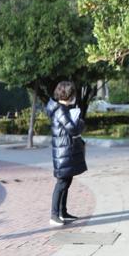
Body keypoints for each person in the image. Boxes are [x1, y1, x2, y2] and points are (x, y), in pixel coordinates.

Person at [46, 80, 87, 227]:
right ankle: (54, 215)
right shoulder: (60, 110)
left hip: (65, 150)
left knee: (66, 181)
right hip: (63, 151)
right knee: (61, 182)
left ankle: (63, 212)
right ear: (68, 95)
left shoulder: (62, 108)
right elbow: (73, 129)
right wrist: (80, 122)